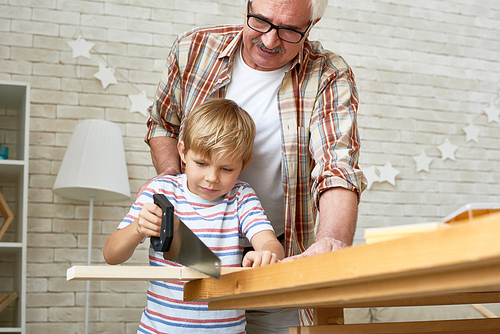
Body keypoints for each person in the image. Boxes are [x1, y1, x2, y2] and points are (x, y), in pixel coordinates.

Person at [142, 0, 367, 330]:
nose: (270, 40)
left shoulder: (328, 74)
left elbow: (338, 164)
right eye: (260, 21)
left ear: (311, 25)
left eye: (290, 30)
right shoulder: (193, 49)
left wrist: (330, 242)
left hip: (275, 259)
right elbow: (163, 124)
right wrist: (170, 183)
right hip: (195, 256)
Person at [104, 99, 284, 333]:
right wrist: (138, 227)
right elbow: (111, 255)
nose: (212, 177)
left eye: (226, 169)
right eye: (201, 163)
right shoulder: (161, 191)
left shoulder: (241, 198)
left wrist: (267, 255)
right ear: (183, 152)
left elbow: (270, 243)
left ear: (244, 164)